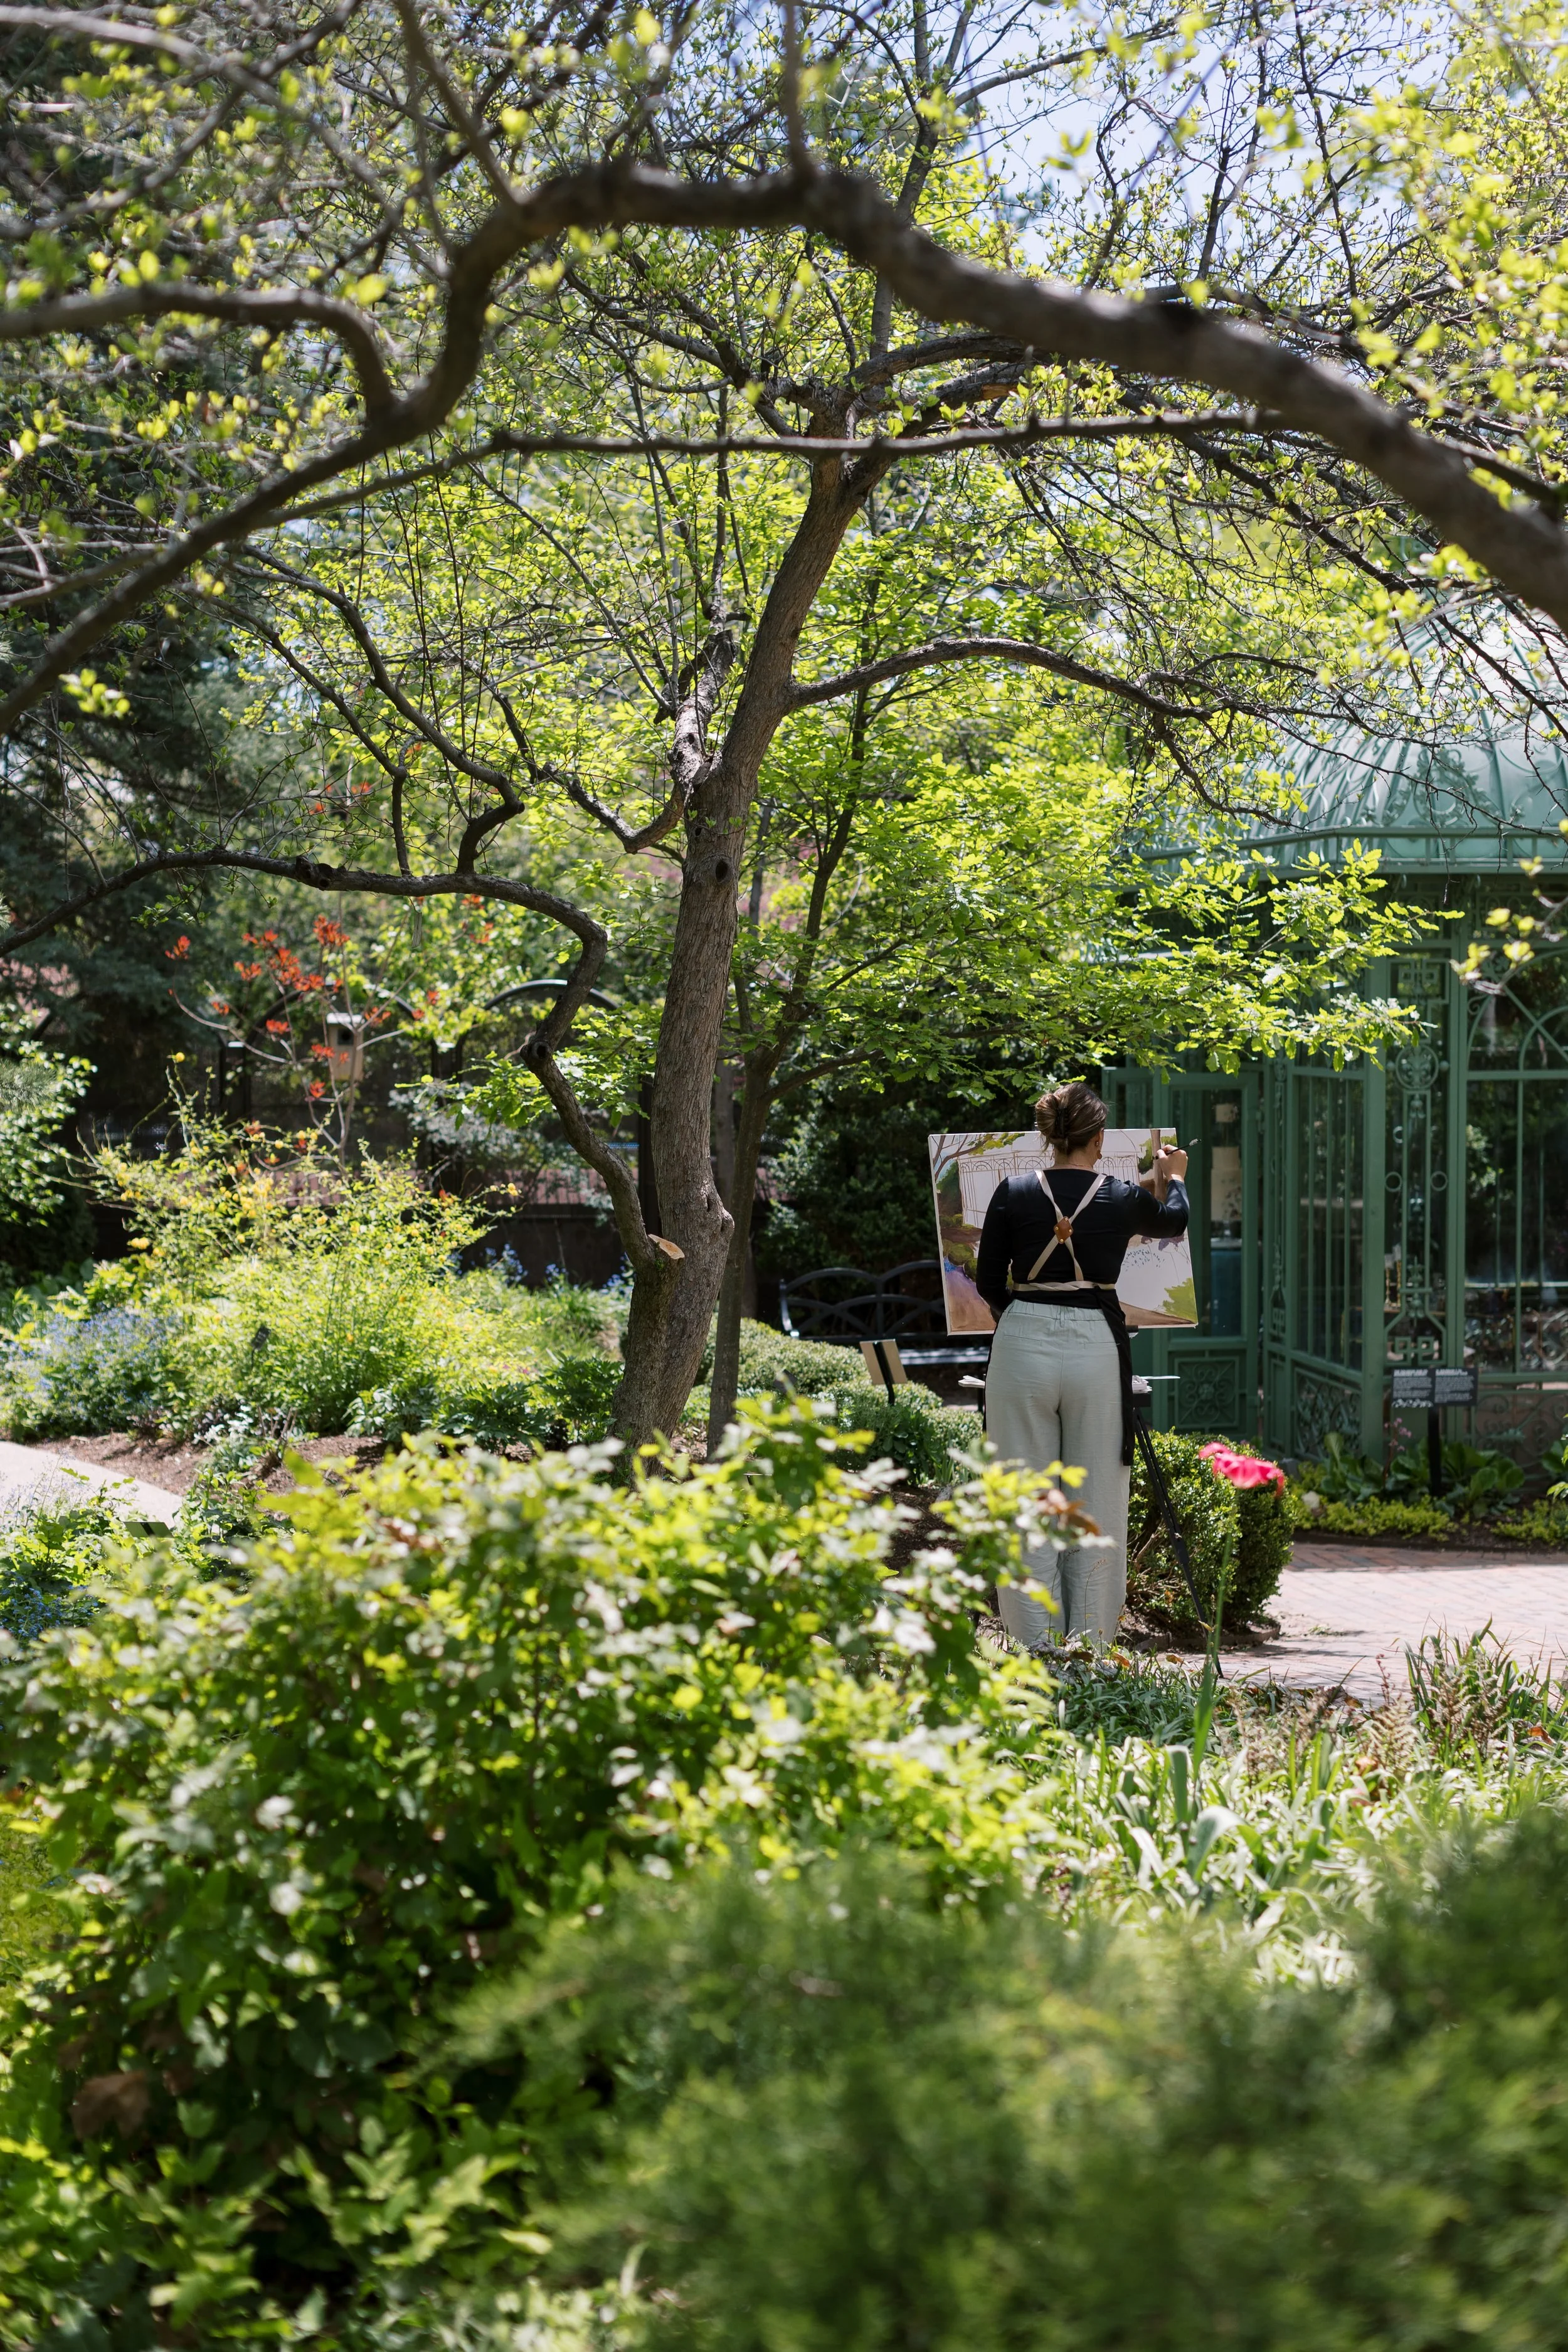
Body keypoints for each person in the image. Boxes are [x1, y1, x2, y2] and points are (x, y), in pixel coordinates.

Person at [975, 1081, 1189, 1648]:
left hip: (1021, 1342)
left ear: (1051, 1137)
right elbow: (1174, 1221)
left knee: (1026, 1505)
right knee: (1094, 1508)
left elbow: (987, 1283)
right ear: (1098, 1139)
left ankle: (1033, 1658)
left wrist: (1025, 1316)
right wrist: (1177, 1176)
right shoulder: (1120, 1195)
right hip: (1096, 1345)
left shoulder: (1012, 1190)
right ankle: (1089, 1658)